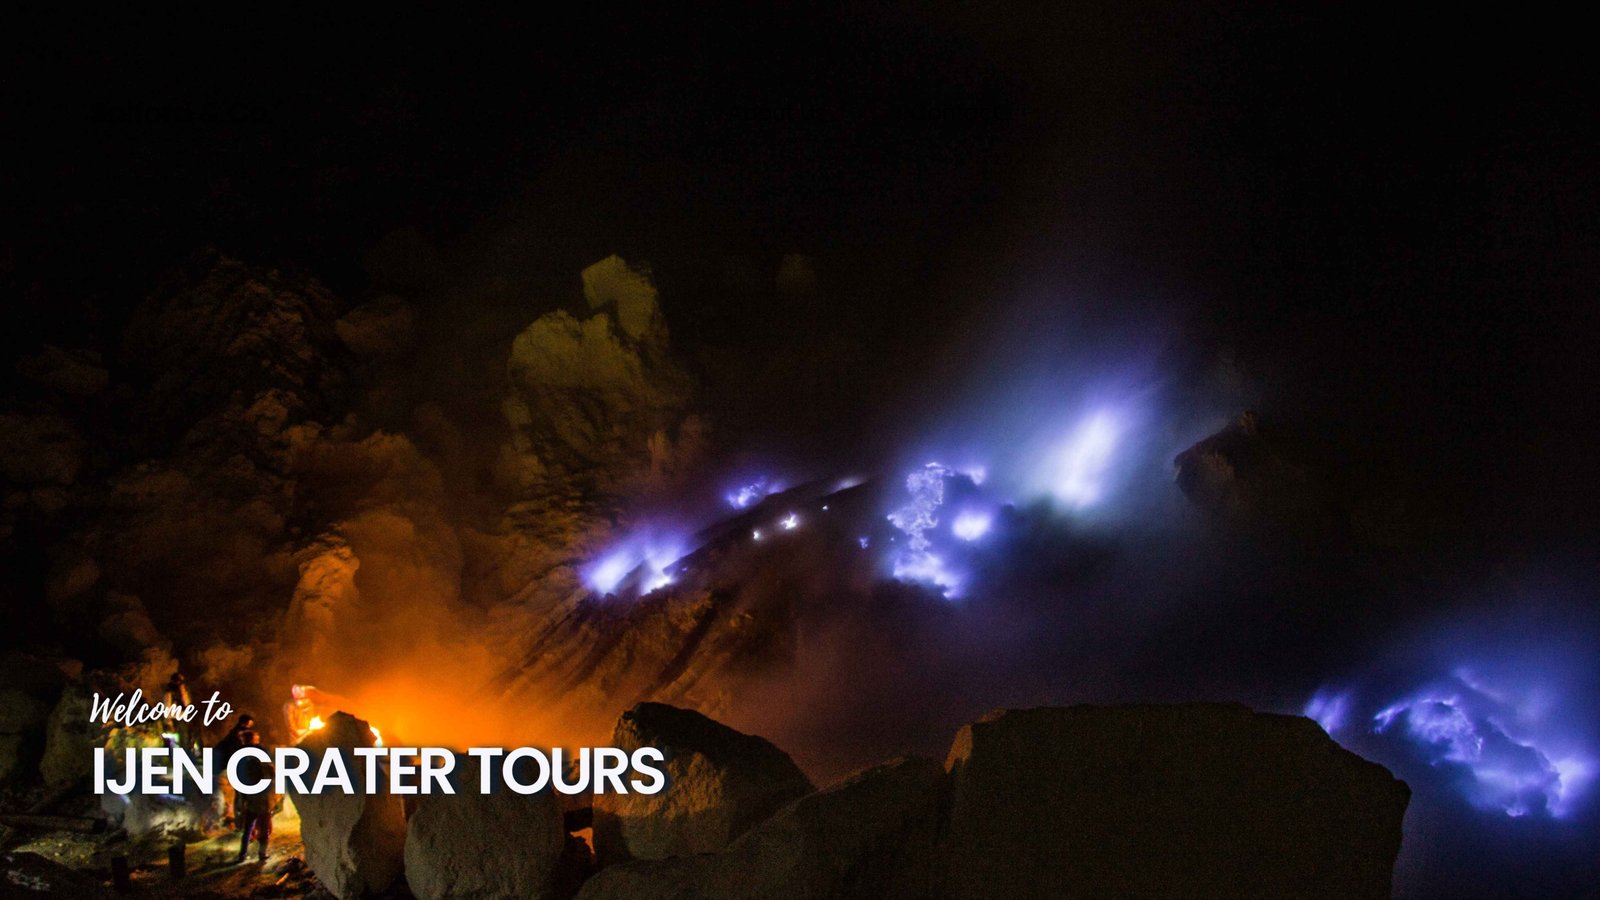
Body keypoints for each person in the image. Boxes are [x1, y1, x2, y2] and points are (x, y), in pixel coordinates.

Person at [233, 732, 274, 863]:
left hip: (251, 799)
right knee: (264, 827)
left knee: (248, 828)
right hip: (263, 800)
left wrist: (242, 799)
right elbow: (272, 773)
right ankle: (262, 854)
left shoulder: (241, 757)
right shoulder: (261, 755)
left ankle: (242, 855)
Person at [214, 714, 256, 823]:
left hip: (224, 767)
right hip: (230, 768)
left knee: (232, 795)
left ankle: (233, 816)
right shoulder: (239, 736)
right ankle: (235, 818)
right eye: (249, 725)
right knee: (236, 794)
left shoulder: (232, 734)